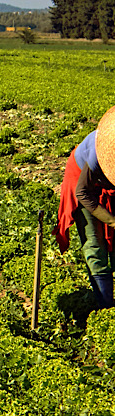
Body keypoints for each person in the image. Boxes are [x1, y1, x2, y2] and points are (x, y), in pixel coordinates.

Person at [55, 105, 115, 309]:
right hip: (83, 183)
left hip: (108, 185)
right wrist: (111, 219)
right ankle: (105, 306)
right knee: (95, 242)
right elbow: (83, 192)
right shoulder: (99, 156)